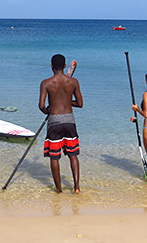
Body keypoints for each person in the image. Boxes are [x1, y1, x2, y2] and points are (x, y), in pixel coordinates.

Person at [39, 54, 83, 194]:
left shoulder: (46, 83)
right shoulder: (73, 81)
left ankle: (59, 190)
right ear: (65, 66)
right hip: (69, 120)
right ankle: (76, 187)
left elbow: (41, 106)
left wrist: (49, 109)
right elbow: (80, 104)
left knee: (54, 156)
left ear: (51, 66)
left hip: (54, 120)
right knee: (73, 155)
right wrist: (66, 101)